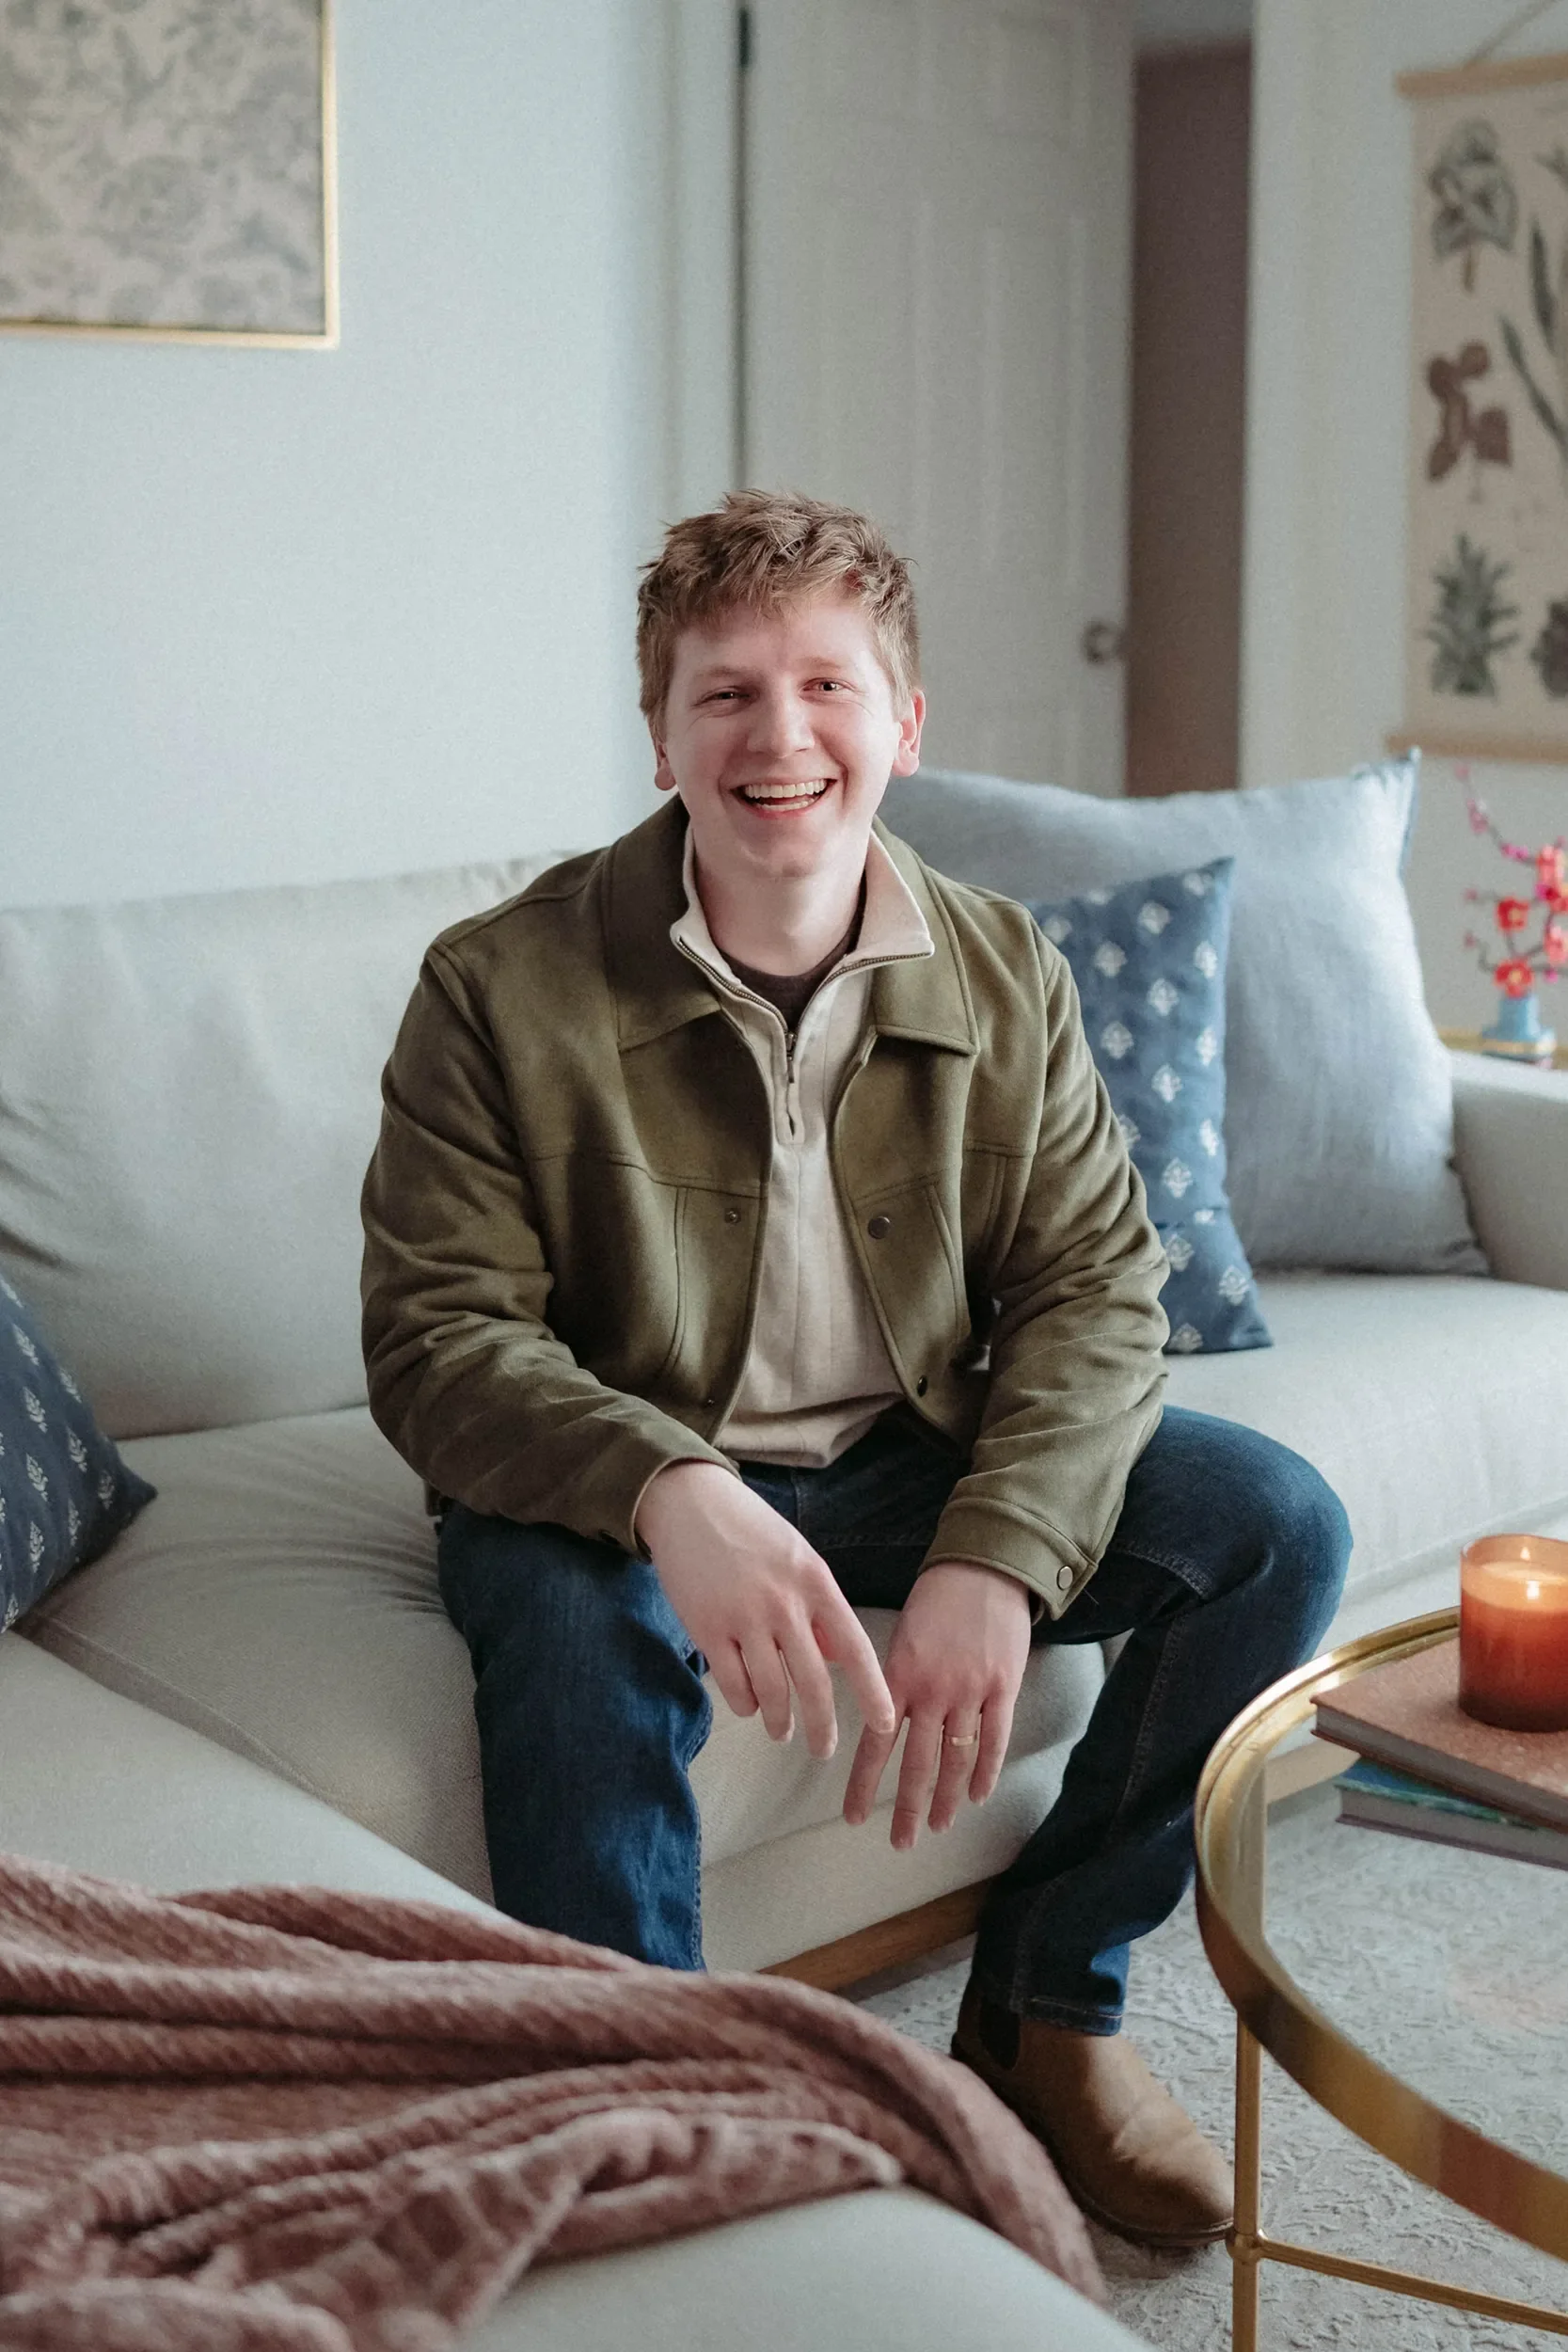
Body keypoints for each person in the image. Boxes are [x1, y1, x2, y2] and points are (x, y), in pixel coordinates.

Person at [361, 490, 1351, 2250]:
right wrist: (677, 1491)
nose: (778, 735)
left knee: (1270, 1524)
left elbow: (1091, 1286)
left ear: (905, 725)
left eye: (826, 686)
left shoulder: (1002, 964)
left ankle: (1048, 2006)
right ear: (658, 733)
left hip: (907, 1450)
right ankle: (650, 2100)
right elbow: (441, 1340)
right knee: (577, 1640)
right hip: (609, 1473)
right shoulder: (496, 986)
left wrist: (997, 1548)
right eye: (724, 691)